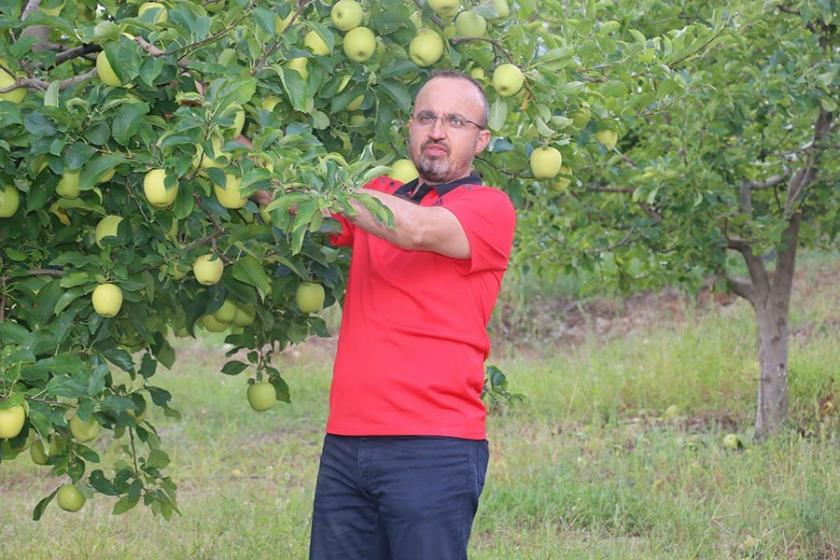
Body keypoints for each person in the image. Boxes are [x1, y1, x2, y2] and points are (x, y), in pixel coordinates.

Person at [309, 70, 516, 560]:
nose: (437, 131)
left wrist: (327, 185)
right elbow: (294, 205)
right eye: (426, 117)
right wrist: (234, 144)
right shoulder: (379, 193)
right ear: (409, 127)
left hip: (434, 446)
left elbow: (417, 230)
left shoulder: (488, 207)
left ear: (481, 140)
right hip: (347, 441)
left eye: (455, 121)